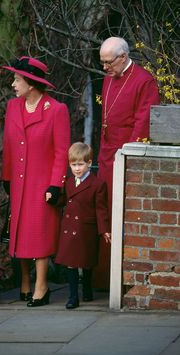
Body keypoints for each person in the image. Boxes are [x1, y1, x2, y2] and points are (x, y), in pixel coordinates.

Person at [1, 56, 71, 307]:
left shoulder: (56, 110)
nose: (13, 84)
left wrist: (56, 184)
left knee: (39, 233)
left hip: (42, 184)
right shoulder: (13, 107)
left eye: (17, 79)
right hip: (19, 182)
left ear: (31, 84)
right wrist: (6, 177)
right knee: (20, 233)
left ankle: (42, 286)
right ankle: (25, 283)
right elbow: (9, 146)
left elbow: (61, 152)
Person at [95, 36, 160, 288]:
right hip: (105, 157)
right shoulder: (108, 78)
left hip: (126, 158)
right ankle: (103, 280)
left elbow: (142, 124)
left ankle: (124, 282)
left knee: (122, 216)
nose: (105, 68)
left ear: (123, 57)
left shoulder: (144, 81)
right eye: (102, 62)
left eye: (108, 62)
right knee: (104, 215)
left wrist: (126, 157)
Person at [48, 142, 111, 309]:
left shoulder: (98, 184)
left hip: (86, 229)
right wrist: (52, 198)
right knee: (71, 263)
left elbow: (101, 210)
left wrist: (104, 230)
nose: (77, 168)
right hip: (69, 227)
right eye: (73, 164)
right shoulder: (68, 181)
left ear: (89, 163)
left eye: (80, 164)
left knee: (86, 262)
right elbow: (65, 200)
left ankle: (87, 290)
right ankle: (73, 297)